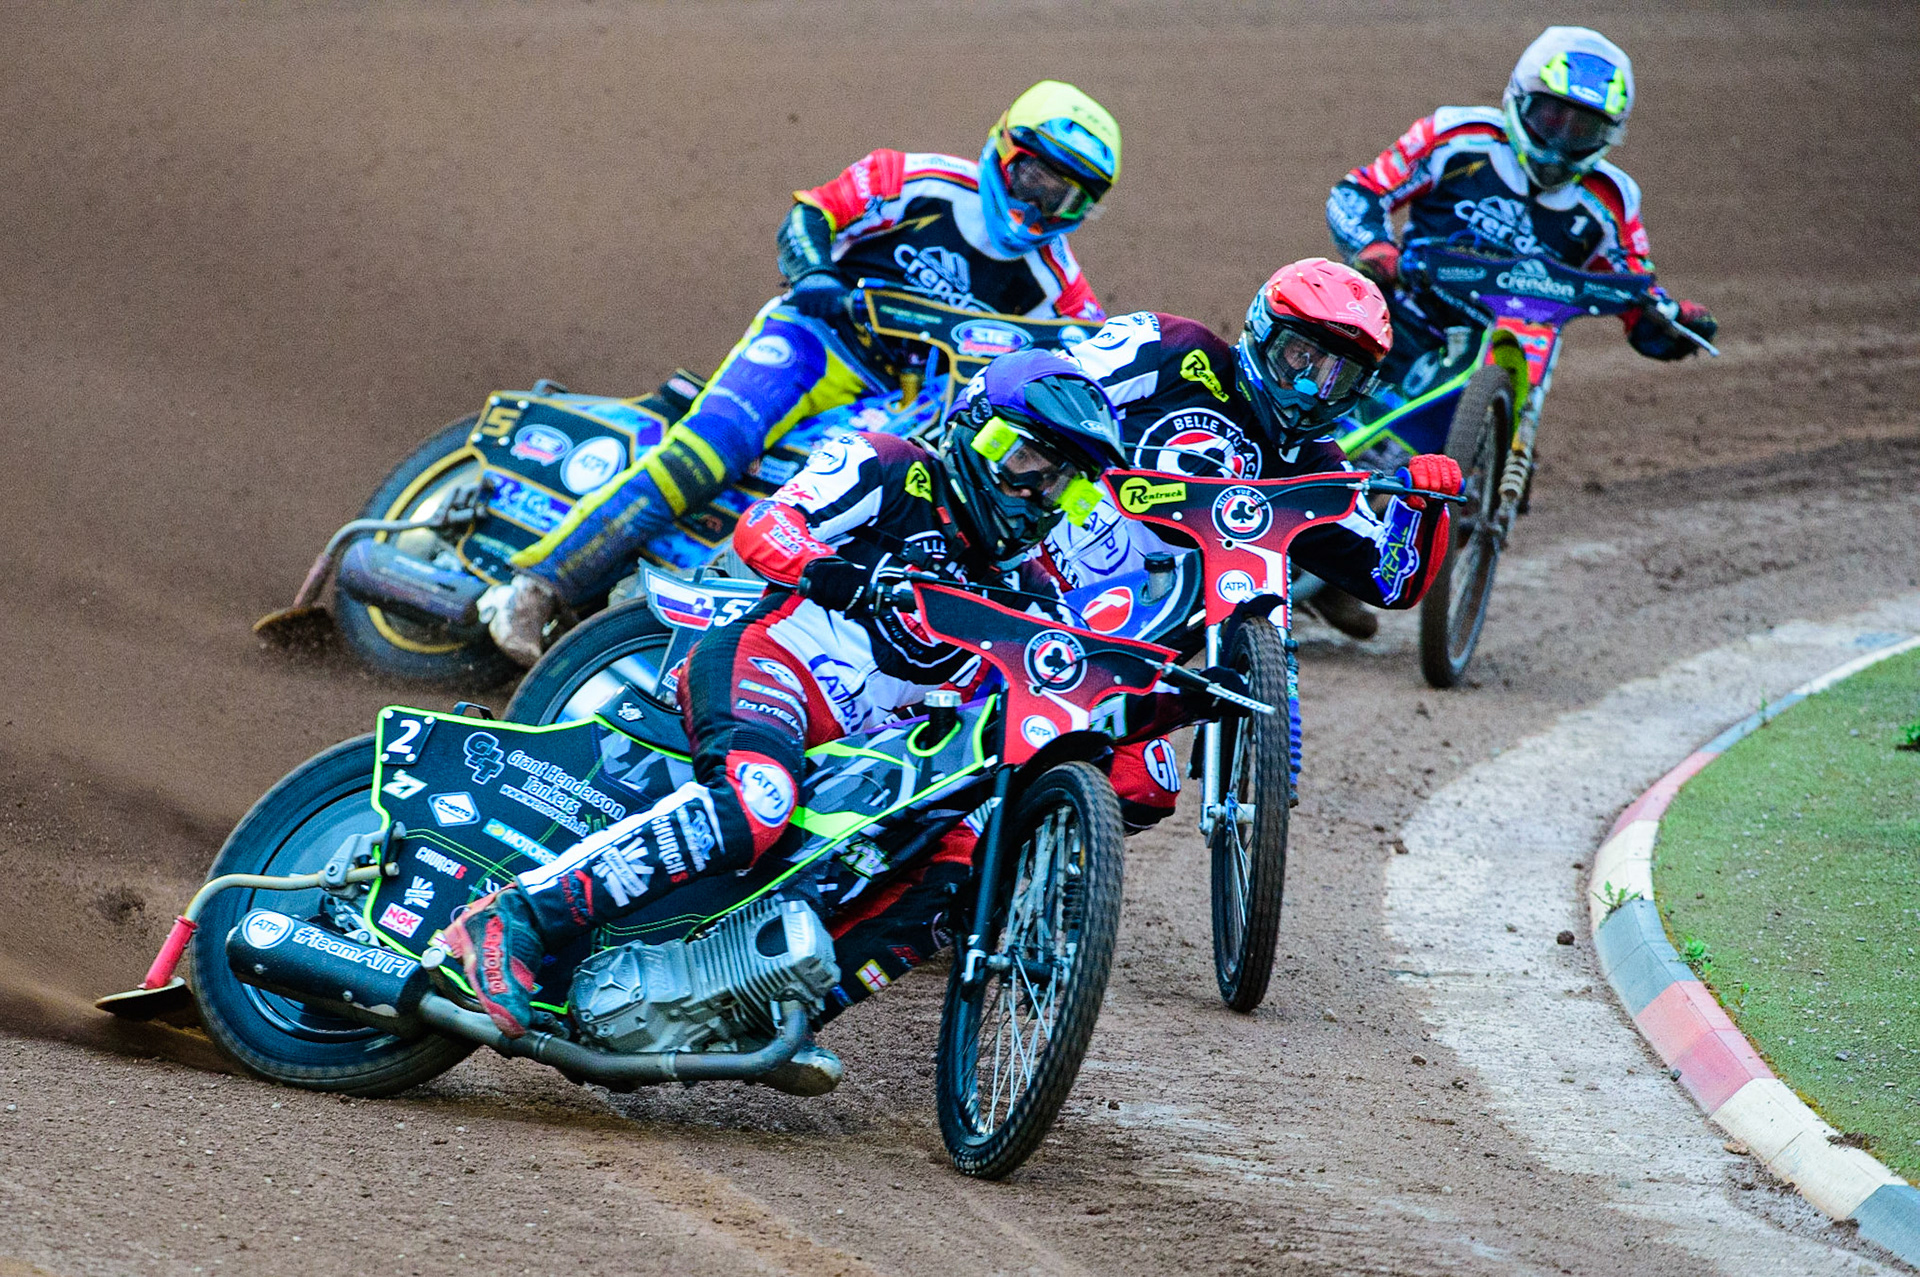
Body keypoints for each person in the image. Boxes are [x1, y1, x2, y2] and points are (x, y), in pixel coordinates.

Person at [439, 350, 1237, 1090]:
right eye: (1028, 459)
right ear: (975, 432)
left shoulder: (1030, 585)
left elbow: (1065, 678)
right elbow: (767, 528)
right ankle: (511, 917)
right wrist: (840, 575)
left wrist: (1168, 702)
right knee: (756, 802)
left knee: (951, 860)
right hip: (768, 661)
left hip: (859, 751)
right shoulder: (890, 466)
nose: (1038, 492)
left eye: (1067, 483)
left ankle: (765, 1011)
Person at [481, 82, 1123, 665]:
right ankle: (536, 586)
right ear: (1002, 148)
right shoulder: (914, 179)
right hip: (816, 339)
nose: (1038, 203)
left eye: (1062, 194)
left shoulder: (1063, 290)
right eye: (1033, 175)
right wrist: (814, 273)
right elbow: (813, 212)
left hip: (911, 397)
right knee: (712, 448)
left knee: (868, 505)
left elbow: (1088, 363)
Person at [1317, 25, 1715, 637]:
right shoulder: (1458, 136)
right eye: (1551, 117)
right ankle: (1316, 557)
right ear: (1518, 99)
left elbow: (1640, 296)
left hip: (1513, 351)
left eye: (1580, 128)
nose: (1559, 142)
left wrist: (1674, 325)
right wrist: (1373, 248)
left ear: (1607, 135)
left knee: (1450, 479)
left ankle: (1366, 556)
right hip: (1410, 318)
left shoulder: (1611, 199)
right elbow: (1360, 190)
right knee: (1321, 423)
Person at [1040, 258, 1463, 824]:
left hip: (1126, 655)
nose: (1313, 387)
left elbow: (1391, 580)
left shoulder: (1321, 472)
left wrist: (1420, 505)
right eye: (1301, 358)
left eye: (1341, 377)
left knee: (1143, 787)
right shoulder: (1169, 347)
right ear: (1264, 333)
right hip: (1031, 571)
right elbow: (1046, 383)